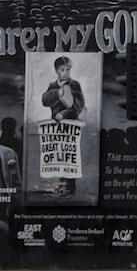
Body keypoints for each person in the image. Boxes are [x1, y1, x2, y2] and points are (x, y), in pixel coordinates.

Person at [40, 55, 85, 197]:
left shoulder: (75, 85)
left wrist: (63, 114)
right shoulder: (53, 85)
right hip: (55, 126)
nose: (65, 72)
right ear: (56, 70)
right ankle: (61, 186)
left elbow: (78, 105)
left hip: (70, 125)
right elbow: (45, 101)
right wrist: (58, 93)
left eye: (68, 69)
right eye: (62, 69)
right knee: (57, 156)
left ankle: (70, 189)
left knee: (70, 156)